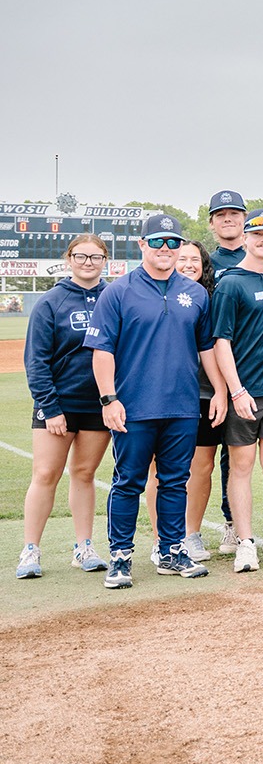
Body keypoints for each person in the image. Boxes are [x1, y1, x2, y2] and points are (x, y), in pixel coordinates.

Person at [86, 213, 223, 588]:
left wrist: (221, 390)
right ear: (142, 245)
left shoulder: (195, 293)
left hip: (182, 405)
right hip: (133, 407)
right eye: (158, 242)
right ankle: (120, 557)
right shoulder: (119, 291)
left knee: (176, 481)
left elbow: (206, 347)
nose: (166, 249)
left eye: (173, 242)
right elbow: (102, 351)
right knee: (128, 481)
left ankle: (171, 551)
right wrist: (109, 399)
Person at [209, 209, 263, 572]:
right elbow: (221, 342)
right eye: (258, 235)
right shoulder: (230, 283)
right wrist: (236, 391)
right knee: (241, 466)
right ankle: (245, 541)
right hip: (245, 391)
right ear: (246, 237)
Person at [19, 235, 113, 579]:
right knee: (45, 474)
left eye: (95, 256)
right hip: (58, 404)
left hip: (98, 404)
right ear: (68, 259)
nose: (88, 262)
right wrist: (50, 406)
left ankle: (84, 546)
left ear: (105, 260)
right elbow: (37, 361)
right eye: (81, 256)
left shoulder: (113, 297)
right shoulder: (51, 301)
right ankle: (30, 550)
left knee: (85, 474)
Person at [139, 240, 224, 563]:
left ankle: (191, 534)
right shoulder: (152, 295)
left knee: (201, 467)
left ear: (204, 266)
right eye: (183, 258)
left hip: (200, 394)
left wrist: (220, 390)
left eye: (195, 260)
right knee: (158, 470)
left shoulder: (208, 300)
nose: (188, 264)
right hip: (156, 396)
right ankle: (163, 538)